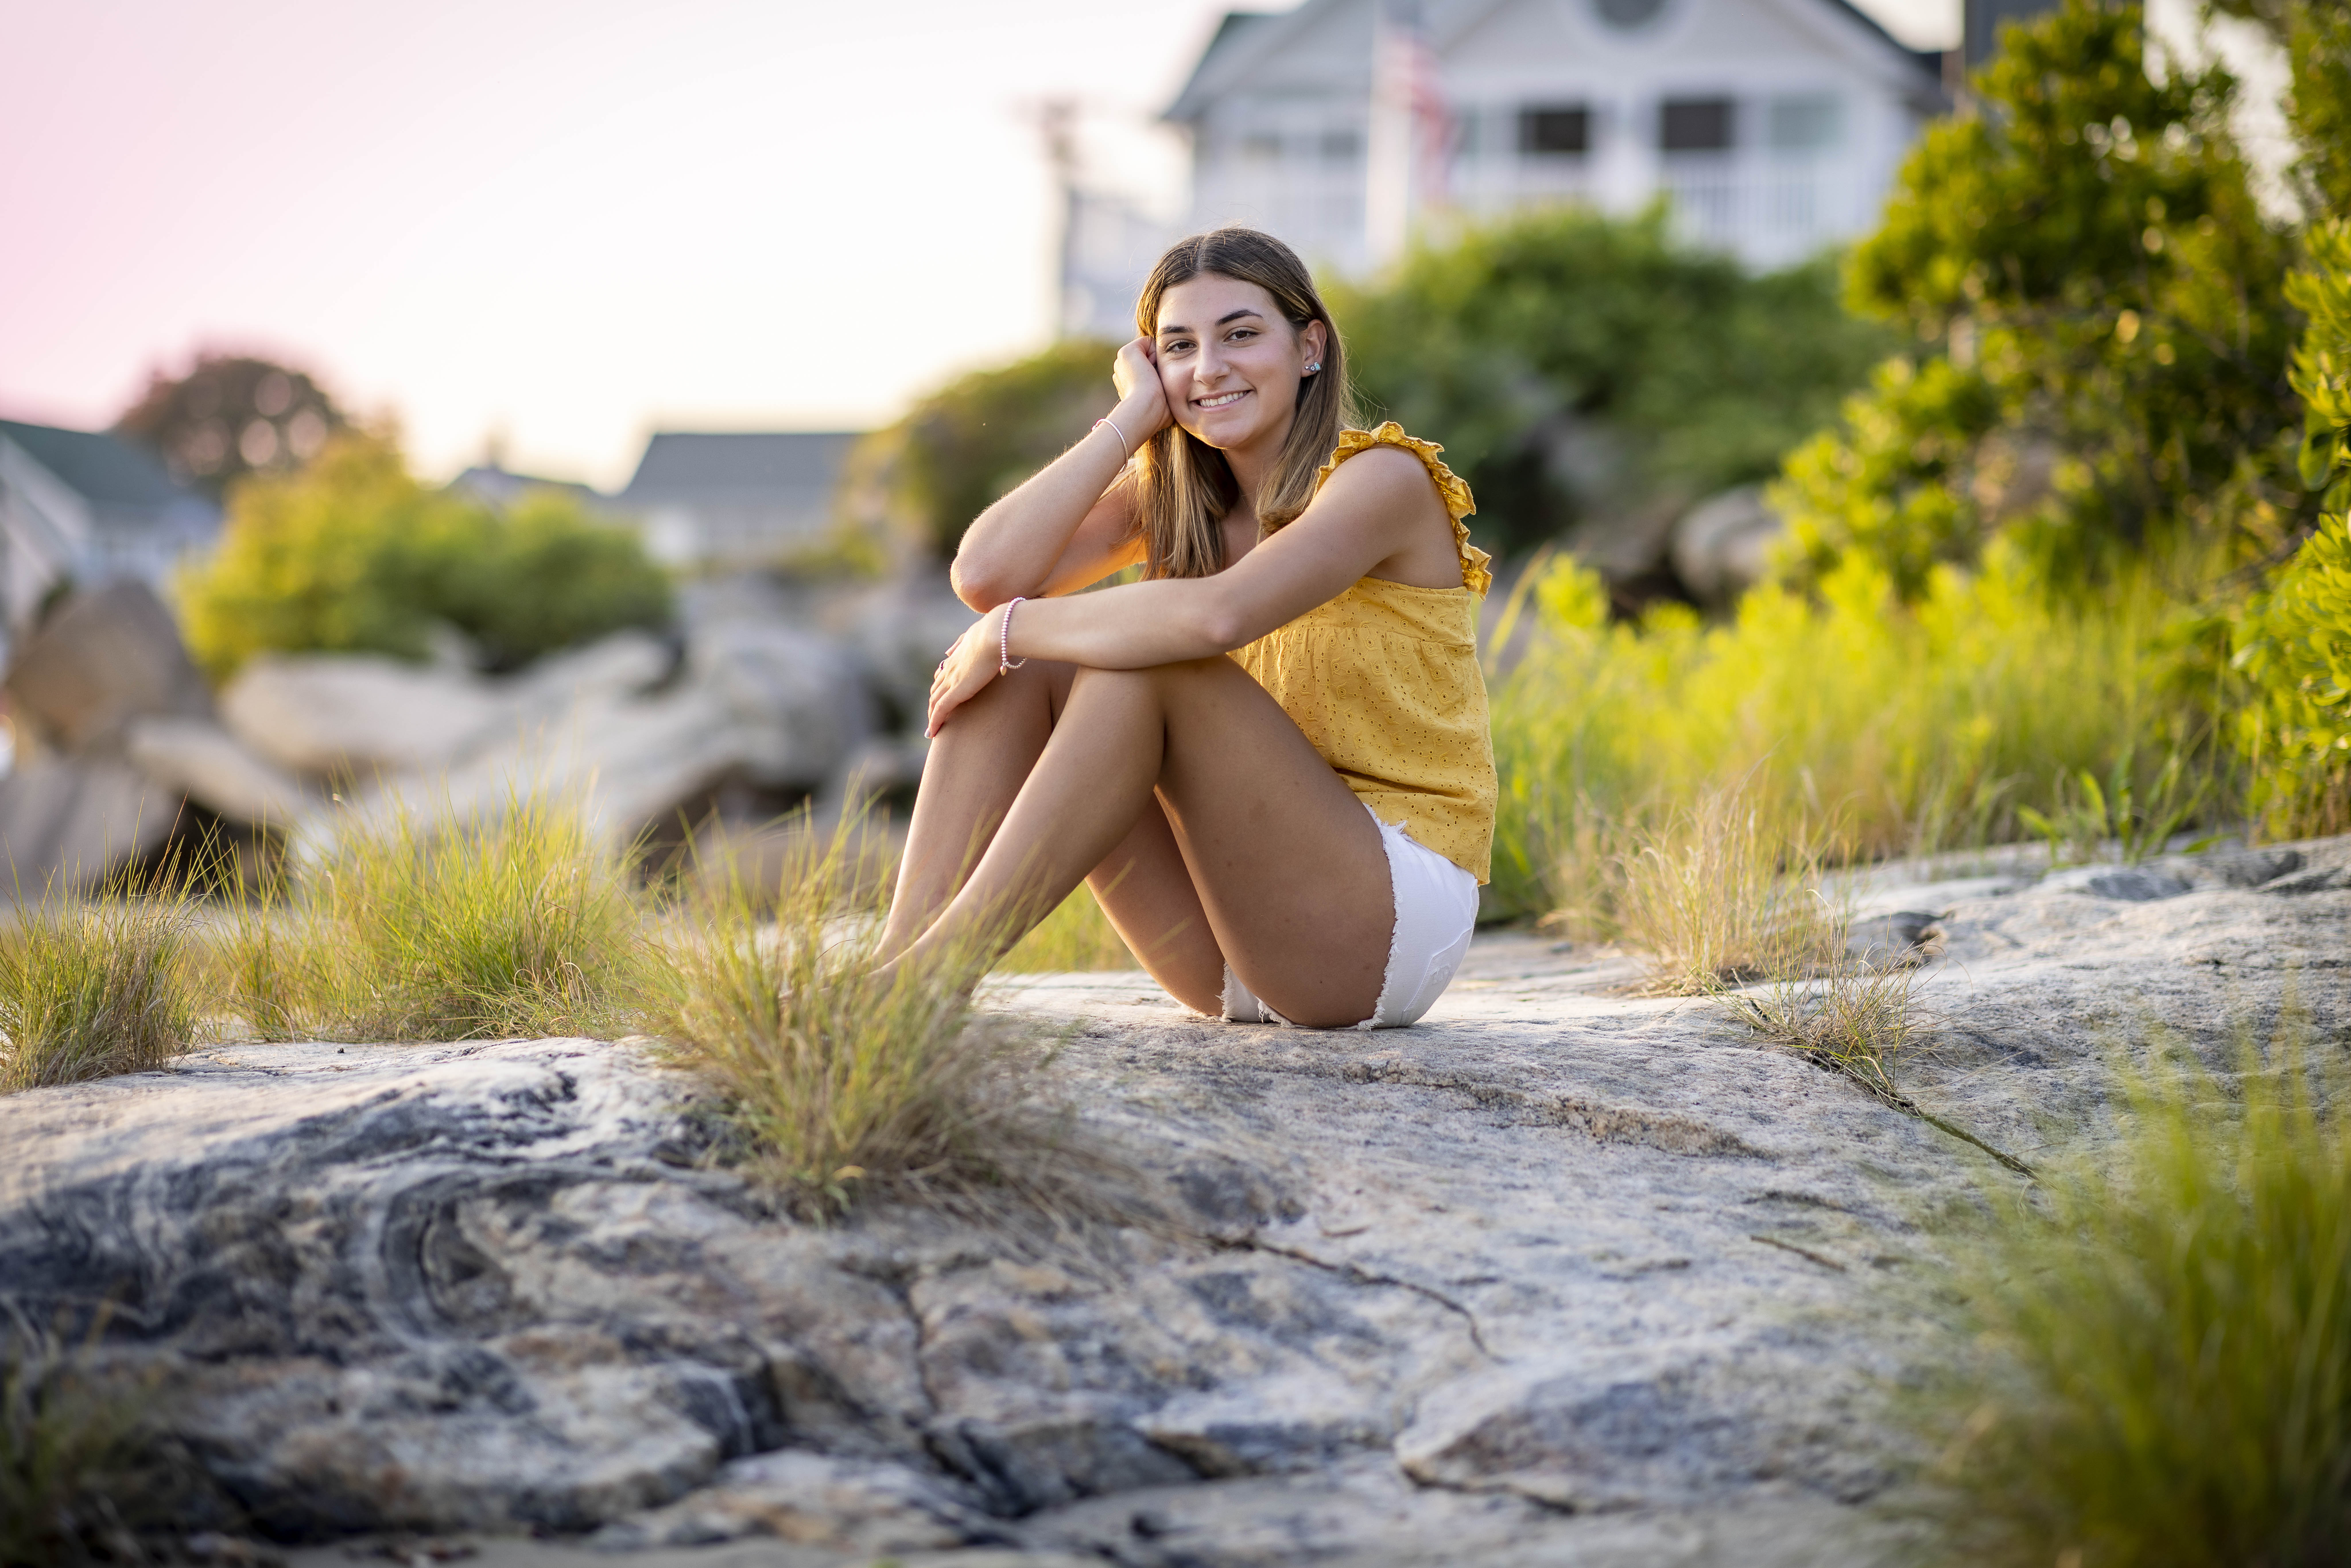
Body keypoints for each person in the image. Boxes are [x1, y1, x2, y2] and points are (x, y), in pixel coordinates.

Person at [873, 226, 1495, 1030]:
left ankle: (933, 975)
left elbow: (1219, 616)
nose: (1209, 368)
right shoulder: (1170, 502)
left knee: (1144, 657)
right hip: (1227, 946)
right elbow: (987, 578)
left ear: (1309, 347)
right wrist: (1133, 419)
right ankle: (893, 970)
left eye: (1240, 334)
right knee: (1034, 663)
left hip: (1382, 923)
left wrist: (1015, 629)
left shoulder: (1381, 480)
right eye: (1179, 347)